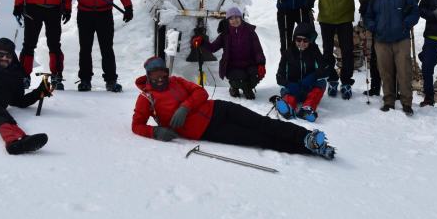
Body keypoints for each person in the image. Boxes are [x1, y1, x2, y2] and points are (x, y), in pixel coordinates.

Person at [132, 57, 335, 159]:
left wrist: (185, 106)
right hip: (208, 130)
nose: (161, 79)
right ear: (148, 77)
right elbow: (137, 125)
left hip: (219, 109)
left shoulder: (176, 81)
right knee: (258, 138)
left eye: (163, 74)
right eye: (155, 77)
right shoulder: (146, 98)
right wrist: (156, 131)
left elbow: (200, 93)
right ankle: (310, 149)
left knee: (262, 123)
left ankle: (307, 137)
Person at [306, 0, 366, 100]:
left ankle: (346, 82)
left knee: (347, 52)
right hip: (326, 17)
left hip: (345, 17)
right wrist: (309, 0)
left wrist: (364, 2)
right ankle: (332, 79)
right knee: (327, 53)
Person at [364, 0, 419, 96]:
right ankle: (376, 87)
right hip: (381, 20)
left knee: (400, 59)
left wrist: (405, 12)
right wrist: (370, 14)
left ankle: (397, 91)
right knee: (378, 56)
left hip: (400, 22)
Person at [192, 7, 266, 99]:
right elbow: (213, 47)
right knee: (240, 78)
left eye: (236, 17)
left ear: (240, 18)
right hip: (232, 66)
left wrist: (261, 64)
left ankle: (247, 88)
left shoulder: (250, 32)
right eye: (231, 18)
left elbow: (257, 50)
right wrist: (202, 42)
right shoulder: (225, 34)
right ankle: (234, 87)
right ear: (228, 20)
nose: (234, 20)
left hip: (249, 64)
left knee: (255, 74)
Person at [274, 22, 332, 122]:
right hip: (293, 89)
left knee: (322, 82)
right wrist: (289, 84)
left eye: (305, 40)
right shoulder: (288, 53)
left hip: (309, 89)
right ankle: (288, 107)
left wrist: (313, 77)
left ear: (310, 40)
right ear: (294, 39)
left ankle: (307, 109)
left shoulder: (314, 51)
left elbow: (326, 69)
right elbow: (279, 77)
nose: (301, 43)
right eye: (298, 40)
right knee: (285, 90)